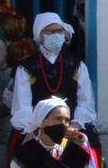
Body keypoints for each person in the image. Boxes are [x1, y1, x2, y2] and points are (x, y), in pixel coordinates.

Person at [9, 13, 97, 142]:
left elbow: (85, 102)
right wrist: (34, 130)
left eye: (59, 31)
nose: (56, 34)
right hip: (36, 130)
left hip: (71, 128)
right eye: (50, 32)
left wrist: (75, 125)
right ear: (40, 35)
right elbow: (22, 106)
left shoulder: (77, 64)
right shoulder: (26, 68)